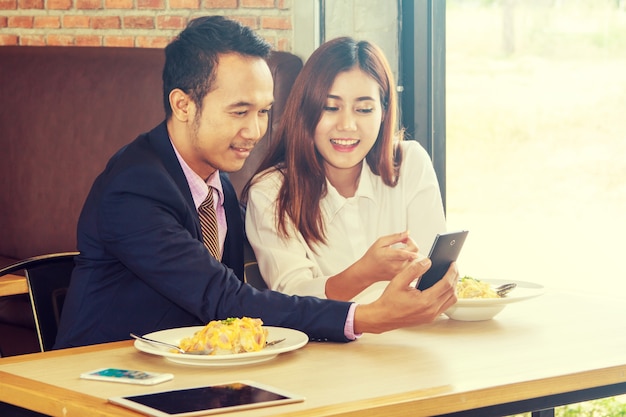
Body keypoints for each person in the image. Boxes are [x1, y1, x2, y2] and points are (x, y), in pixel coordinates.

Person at [54, 16, 457, 349]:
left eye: (264, 112)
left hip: (188, 373)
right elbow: (225, 300)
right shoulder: (134, 189)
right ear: (183, 104)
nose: (255, 130)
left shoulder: (218, 188)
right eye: (240, 111)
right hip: (98, 379)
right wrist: (366, 316)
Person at [243, 37, 449, 302]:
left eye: (364, 109)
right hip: (327, 343)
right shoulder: (271, 191)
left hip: (417, 333)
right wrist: (364, 273)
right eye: (331, 107)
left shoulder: (410, 162)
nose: (347, 125)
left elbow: (432, 275)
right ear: (306, 109)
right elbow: (293, 296)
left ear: (384, 112)